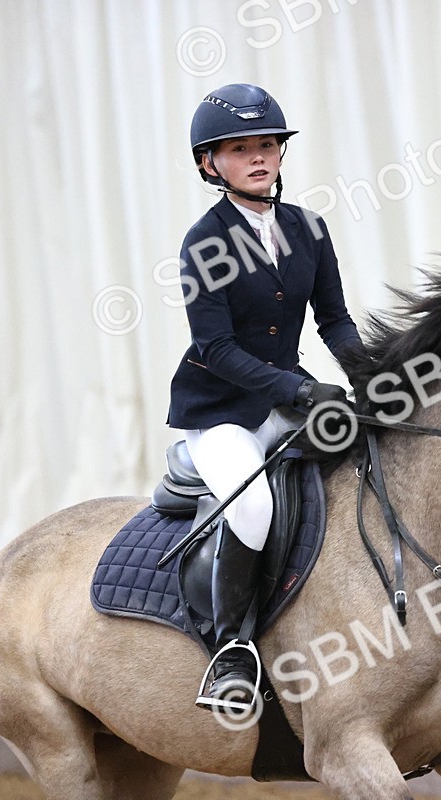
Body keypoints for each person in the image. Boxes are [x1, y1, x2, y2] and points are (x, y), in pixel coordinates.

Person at [166, 83, 365, 712]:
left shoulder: (309, 229)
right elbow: (216, 348)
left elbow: (333, 321)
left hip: (286, 395)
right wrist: (302, 389)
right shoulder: (205, 243)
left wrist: (373, 376)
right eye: (240, 149)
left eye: (268, 146)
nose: (259, 157)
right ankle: (232, 649)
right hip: (220, 410)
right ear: (209, 164)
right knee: (251, 508)